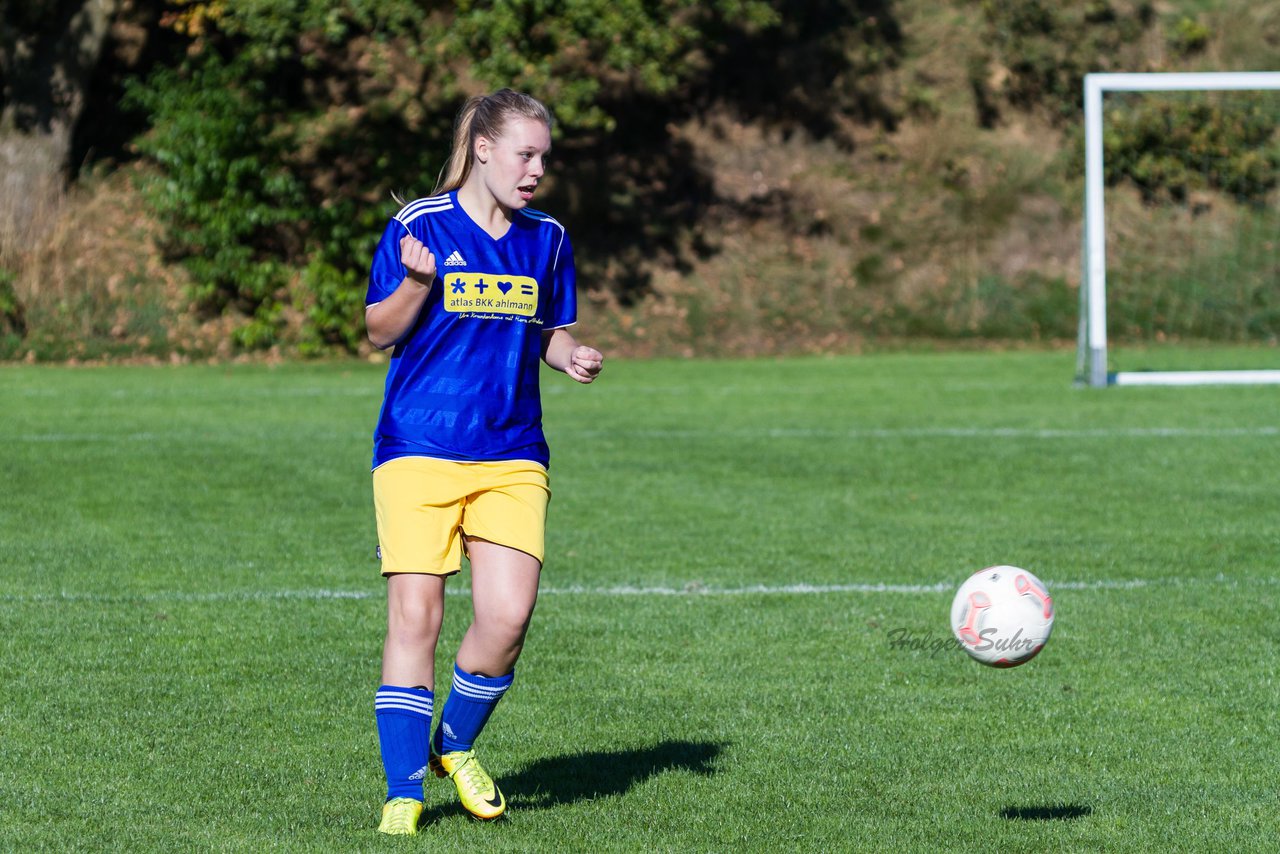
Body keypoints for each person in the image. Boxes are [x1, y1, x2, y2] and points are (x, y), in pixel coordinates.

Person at [363, 89, 603, 835]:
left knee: (507, 616)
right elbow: (378, 331)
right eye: (525, 155)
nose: (536, 171)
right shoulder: (419, 227)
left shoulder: (547, 238)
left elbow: (541, 330)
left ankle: (454, 744)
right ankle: (404, 790)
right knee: (417, 617)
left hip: (511, 450)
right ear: (485, 149)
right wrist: (416, 282)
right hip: (419, 446)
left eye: (544, 159)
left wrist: (569, 355)